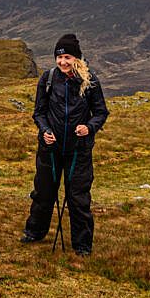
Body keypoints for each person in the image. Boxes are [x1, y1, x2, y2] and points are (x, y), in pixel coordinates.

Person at [21, 33, 109, 256]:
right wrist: (45, 130)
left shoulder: (90, 81)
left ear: (76, 59)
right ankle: (34, 232)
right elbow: (38, 113)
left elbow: (100, 113)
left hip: (78, 150)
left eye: (67, 57)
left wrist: (89, 127)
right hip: (50, 149)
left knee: (78, 197)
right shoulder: (48, 79)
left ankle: (82, 245)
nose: (62, 62)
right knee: (43, 193)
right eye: (59, 57)